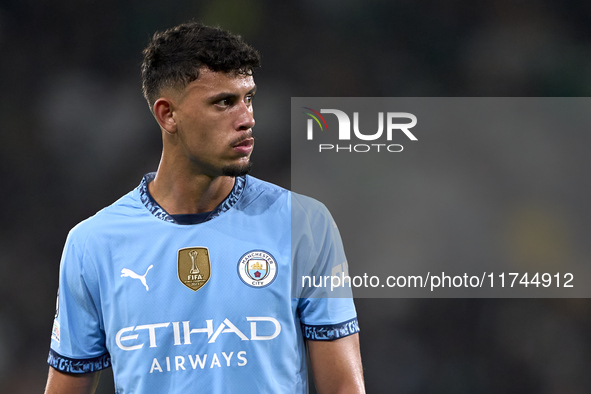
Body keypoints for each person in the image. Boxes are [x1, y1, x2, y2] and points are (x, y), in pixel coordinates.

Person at [44, 22, 364, 394]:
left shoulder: (304, 224)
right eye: (224, 102)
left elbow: (344, 387)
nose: (247, 118)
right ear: (168, 115)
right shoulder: (93, 244)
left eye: (249, 98)